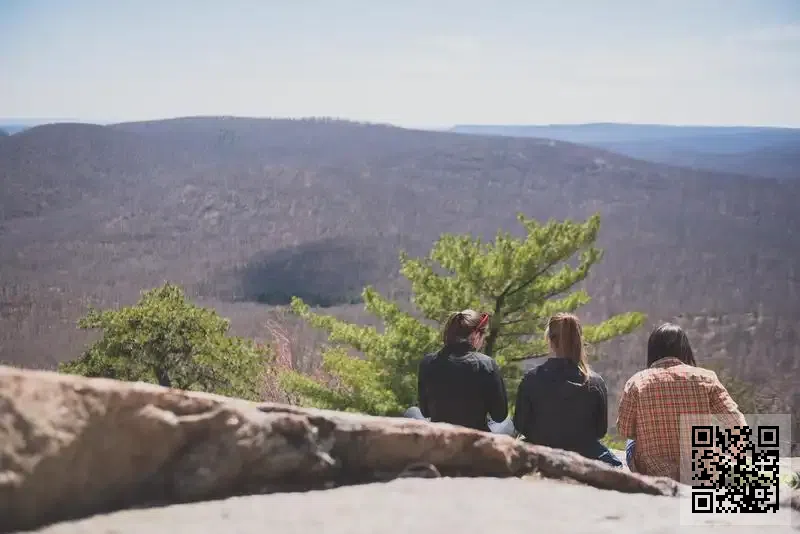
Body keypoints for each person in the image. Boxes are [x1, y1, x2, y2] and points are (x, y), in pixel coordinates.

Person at [617, 323, 747, 482]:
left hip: (654, 473)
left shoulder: (637, 382)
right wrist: (732, 458)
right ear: (684, 349)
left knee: (631, 442)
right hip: (700, 471)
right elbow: (737, 424)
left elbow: (624, 430)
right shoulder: (706, 378)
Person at [513, 313, 622, 467]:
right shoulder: (595, 382)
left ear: (550, 341)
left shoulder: (531, 379)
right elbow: (600, 431)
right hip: (583, 456)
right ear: (579, 340)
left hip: (541, 454)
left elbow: (520, 424)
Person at [404, 310, 510, 433]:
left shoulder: (428, 362)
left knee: (412, 411)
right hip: (475, 439)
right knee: (508, 421)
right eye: (483, 337)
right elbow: (499, 415)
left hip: (440, 436)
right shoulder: (486, 364)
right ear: (475, 335)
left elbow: (425, 411)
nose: (483, 342)